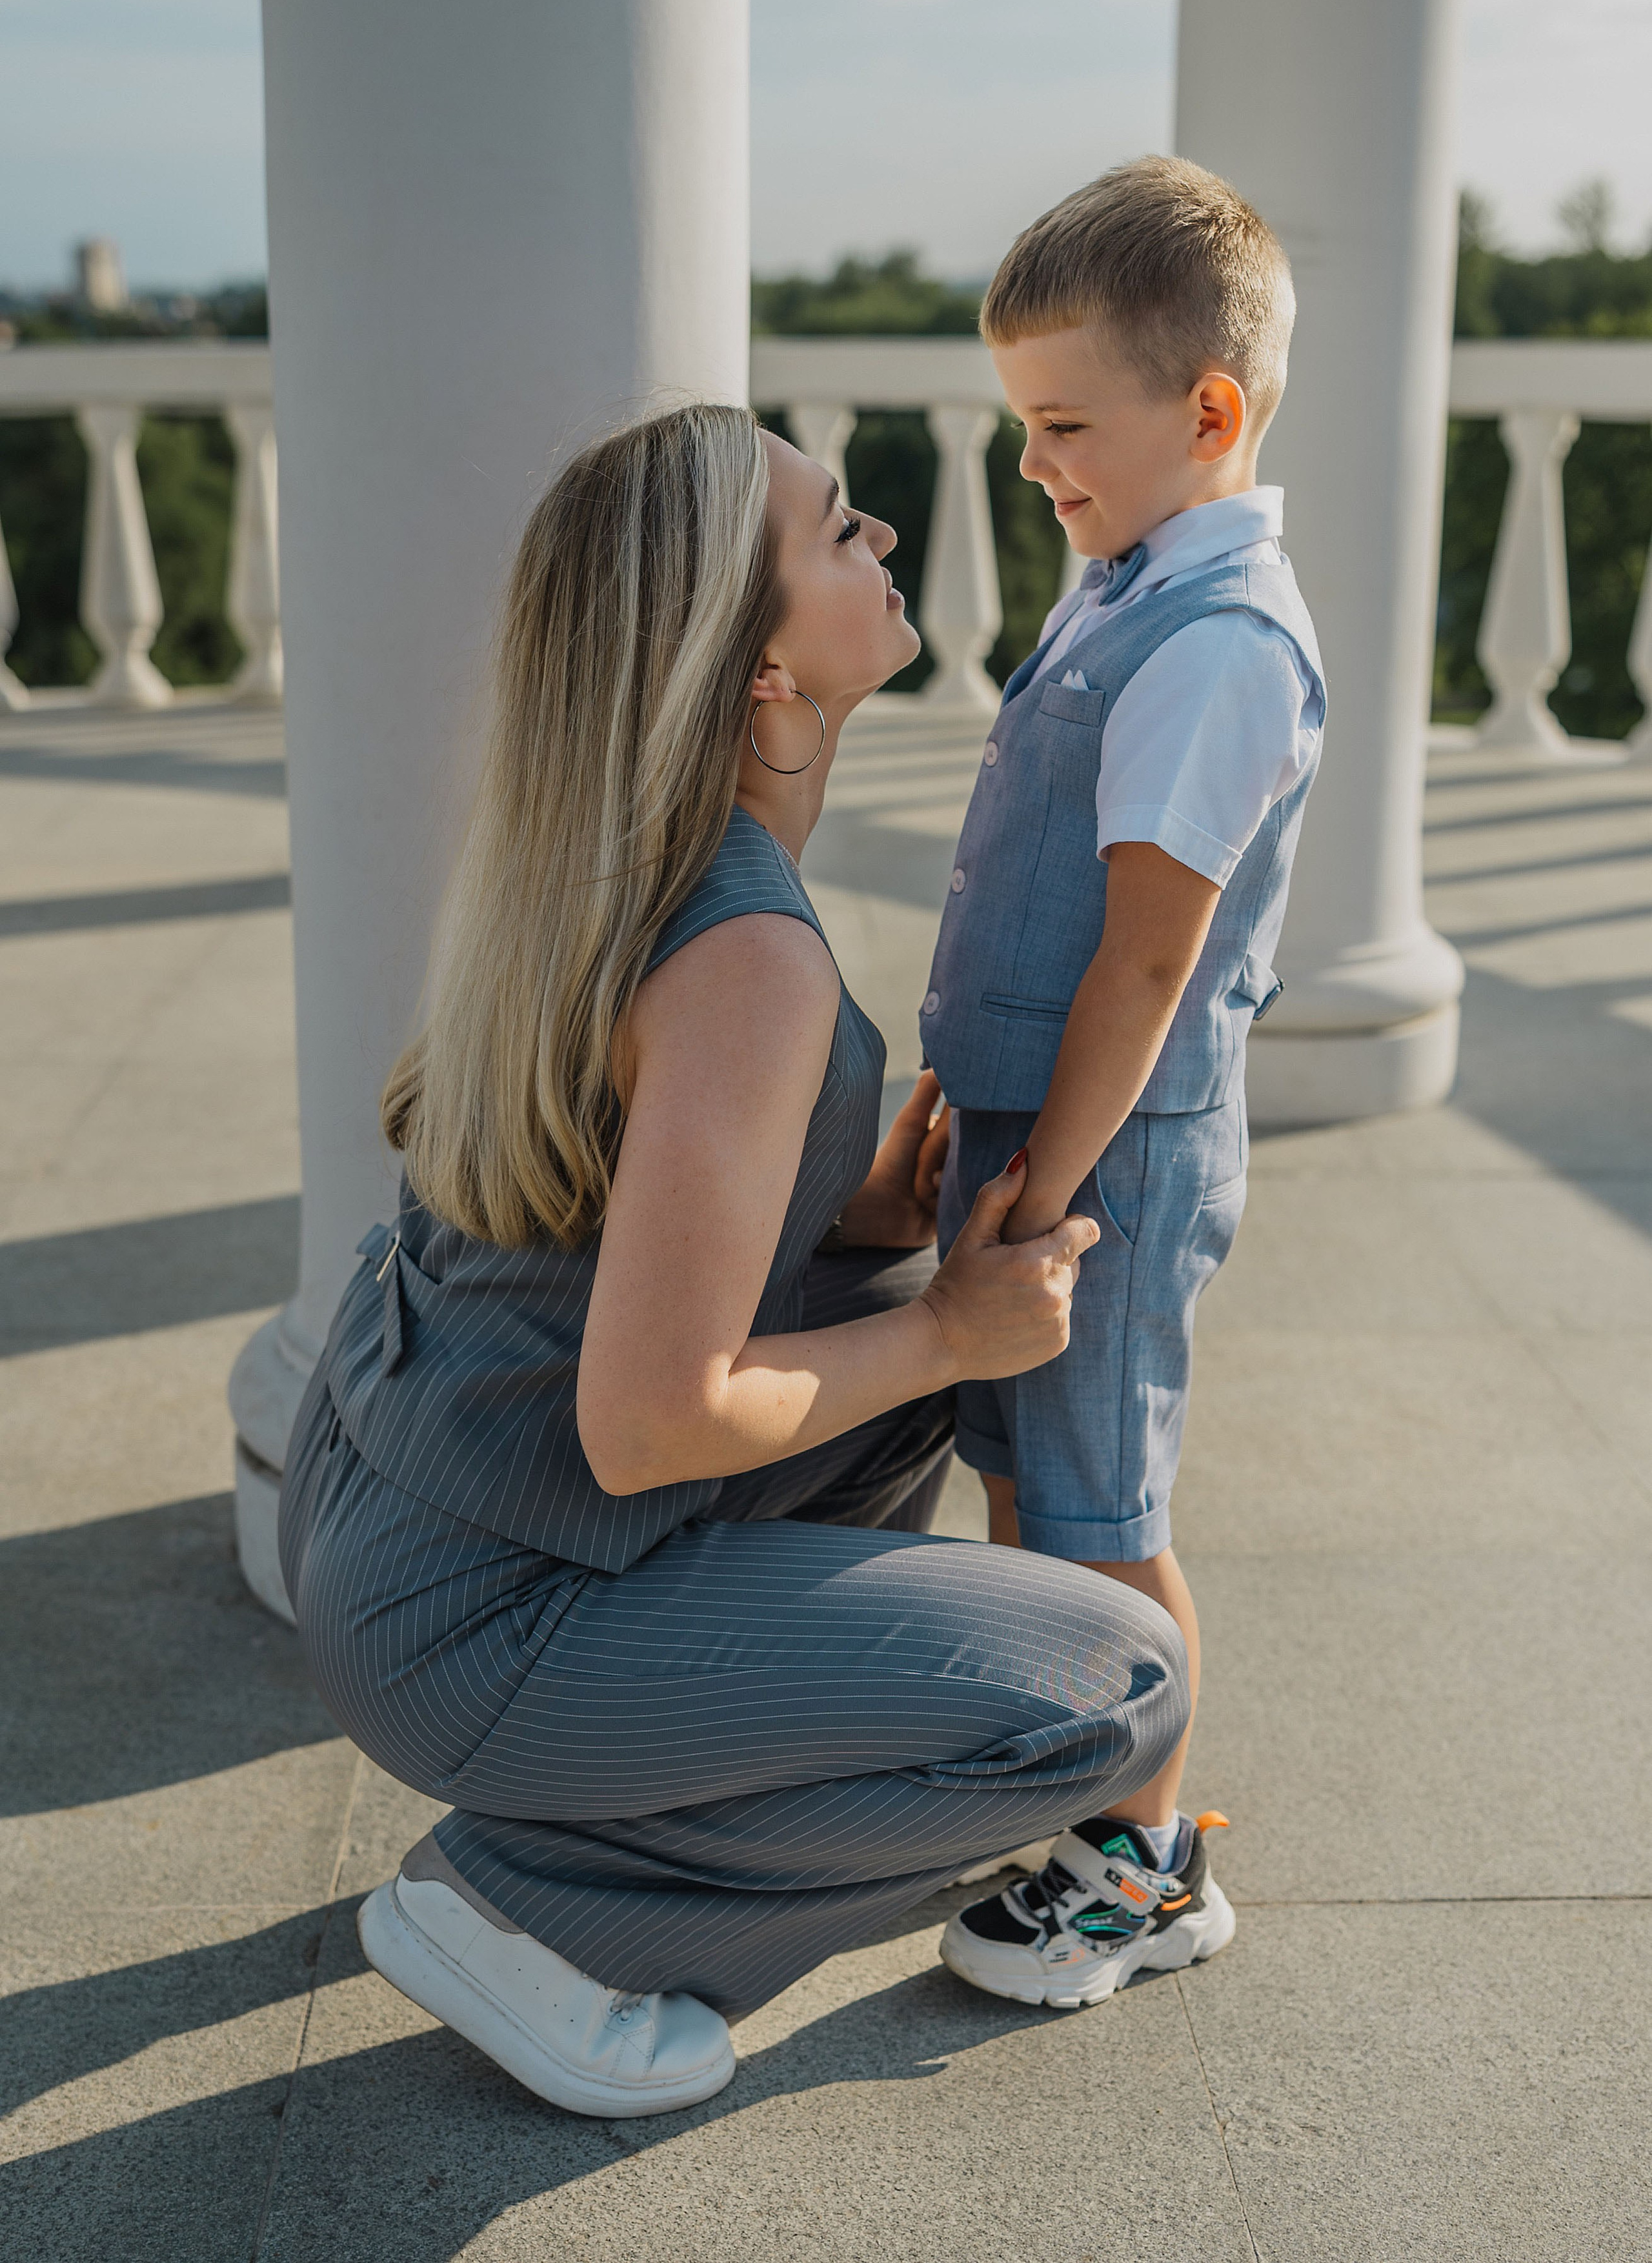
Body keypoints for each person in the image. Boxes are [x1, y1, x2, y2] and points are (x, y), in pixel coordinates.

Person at [277, 401, 1190, 2122]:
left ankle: (605, 1800)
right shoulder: (745, 958)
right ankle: (540, 1916)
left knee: (888, 1384)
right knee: (1112, 1699)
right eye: (844, 531)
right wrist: (950, 1328)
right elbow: (650, 1423)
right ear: (758, 671)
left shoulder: (604, 862)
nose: (889, 542)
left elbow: (594, 1221)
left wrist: (854, 1216)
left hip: (380, 1518)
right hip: (476, 1621)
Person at [922, 156, 1326, 2008]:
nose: (1033, 466)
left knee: (1104, 1512)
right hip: (1035, 1124)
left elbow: (1149, 956)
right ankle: (1083, 1793)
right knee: (1035, 1486)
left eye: (1063, 424)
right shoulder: (1129, 574)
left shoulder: (1223, 638)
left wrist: (1045, 1182)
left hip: (1111, 1151)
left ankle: (1146, 1874)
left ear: (1210, 412)